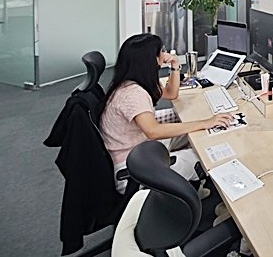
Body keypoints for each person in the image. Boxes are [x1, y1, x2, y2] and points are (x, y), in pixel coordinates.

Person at [99, 33, 233, 192]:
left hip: (141, 149)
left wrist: (175, 65)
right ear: (152, 59)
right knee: (205, 155)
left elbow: (171, 93)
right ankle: (193, 194)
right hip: (133, 168)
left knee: (197, 132)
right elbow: (153, 131)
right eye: (161, 51)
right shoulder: (132, 93)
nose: (164, 54)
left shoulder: (131, 81)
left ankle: (189, 189)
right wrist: (205, 122)